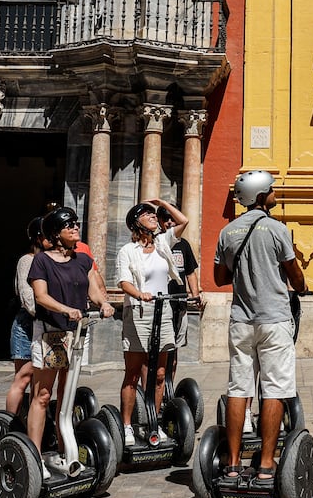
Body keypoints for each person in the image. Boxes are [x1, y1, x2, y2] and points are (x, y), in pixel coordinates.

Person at [213, 170, 309, 488]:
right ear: (259, 197)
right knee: (275, 389)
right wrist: (301, 285)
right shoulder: (277, 229)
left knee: (239, 389)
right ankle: (267, 464)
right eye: (270, 190)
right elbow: (294, 272)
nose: (274, 193)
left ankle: (232, 464)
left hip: (241, 320)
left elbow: (219, 278)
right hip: (274, 320)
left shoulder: (227, 232)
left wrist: (245, 274)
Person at [27, 206, 114, 477]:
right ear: (55, 233)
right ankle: (35, 456)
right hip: (51, 334)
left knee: (67, 394)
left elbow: (94, 290)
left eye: (76, 224)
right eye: (69, 225)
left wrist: (104, 303)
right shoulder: (42, 261)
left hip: (75, 335)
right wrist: (65, 309)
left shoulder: (83, 260)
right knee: (42, 395)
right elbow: (40, 296)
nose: (76, 228)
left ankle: (67, 451)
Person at [116, 198, 189, 447]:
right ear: (137, 223)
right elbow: (124, 281)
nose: (152, 216)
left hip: (163, 311)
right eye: (147, 214)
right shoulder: (128, 251)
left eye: (153, 213)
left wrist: (162, 203)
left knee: (159, 374)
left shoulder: (163, 243)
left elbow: (184, 221)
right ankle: (127, 426)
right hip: (138, 312)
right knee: (134, 374)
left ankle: (152, 423)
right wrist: (139, 294)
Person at [161, 205, 203, 386]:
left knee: (174, 350)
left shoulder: (183, 245)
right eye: (165, 218)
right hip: (161, 304)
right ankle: (158, 387)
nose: (170, 222)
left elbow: (190, 272)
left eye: (173, 219)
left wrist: (195, 295)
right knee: (161, 348)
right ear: (160, 222)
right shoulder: (157, 242)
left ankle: (169, 387)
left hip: (180, 304)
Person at [5, 217, 44, 414]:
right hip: (28, 323)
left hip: (48, 322)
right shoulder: (27, 260)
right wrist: (45, 312)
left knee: (40, 379)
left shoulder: (52, 260)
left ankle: (33, 420)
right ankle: (11, 422)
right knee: (24, 375)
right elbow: (27, 294)